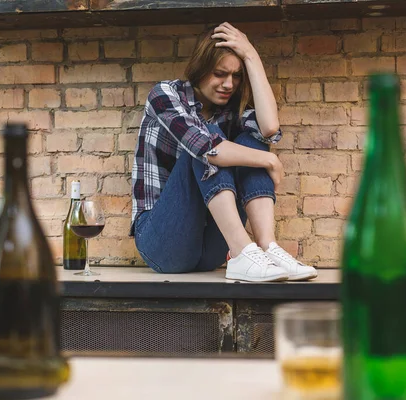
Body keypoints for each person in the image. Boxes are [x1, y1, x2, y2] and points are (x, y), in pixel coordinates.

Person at [130, 22, 317, 282]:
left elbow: (269, 127)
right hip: (162, 243)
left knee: (251, 141)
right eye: (220, 74)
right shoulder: (165, 95)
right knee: (207, 147)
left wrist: (251, 55)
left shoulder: (231, 111)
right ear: (201, 68)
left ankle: (267, 248)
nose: (229, 84)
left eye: (236, 76)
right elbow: (206, 148)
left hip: (212, 248)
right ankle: (242, 252)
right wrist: (270, 160)